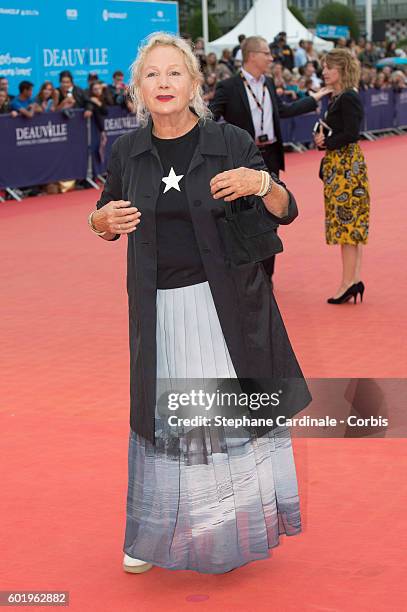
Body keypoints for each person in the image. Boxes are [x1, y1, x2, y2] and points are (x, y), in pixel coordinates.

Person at [88, 32, 311, 575]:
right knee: (162, 421)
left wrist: (261, 181)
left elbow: (286, 208)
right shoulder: (127, 151)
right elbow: (103, 213)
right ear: (138, 88)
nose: (164, 83)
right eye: (152, 75)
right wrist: (100, 223)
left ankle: (222, 525)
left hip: (224, 307)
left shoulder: (228, 140)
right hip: (158, 311)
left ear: (193, 83)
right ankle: (155, 528)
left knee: (217, 417)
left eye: (174, 73)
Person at [210, 35, 331, 279]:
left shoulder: (268, 82)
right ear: (252, 55)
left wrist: (313, 100)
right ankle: (246, 273)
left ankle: (267, 277)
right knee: (243, 216)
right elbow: (211, 118)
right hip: (242, 159)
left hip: (271, 156)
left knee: (272, 214)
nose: (271, 57)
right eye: (266, 53)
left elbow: (283, 111)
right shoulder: (229, 86)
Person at [314, 49, 370, 304]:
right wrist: (323, 141)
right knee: (347, 226)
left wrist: (327, 140)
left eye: (329, 67)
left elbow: (351, 133)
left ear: (343, 70)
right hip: (339, 164)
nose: (324, 71)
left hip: (347, 167)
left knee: (347, 227)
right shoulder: (337, 98)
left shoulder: (348, 98)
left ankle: (348, 282)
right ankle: (353, 279)